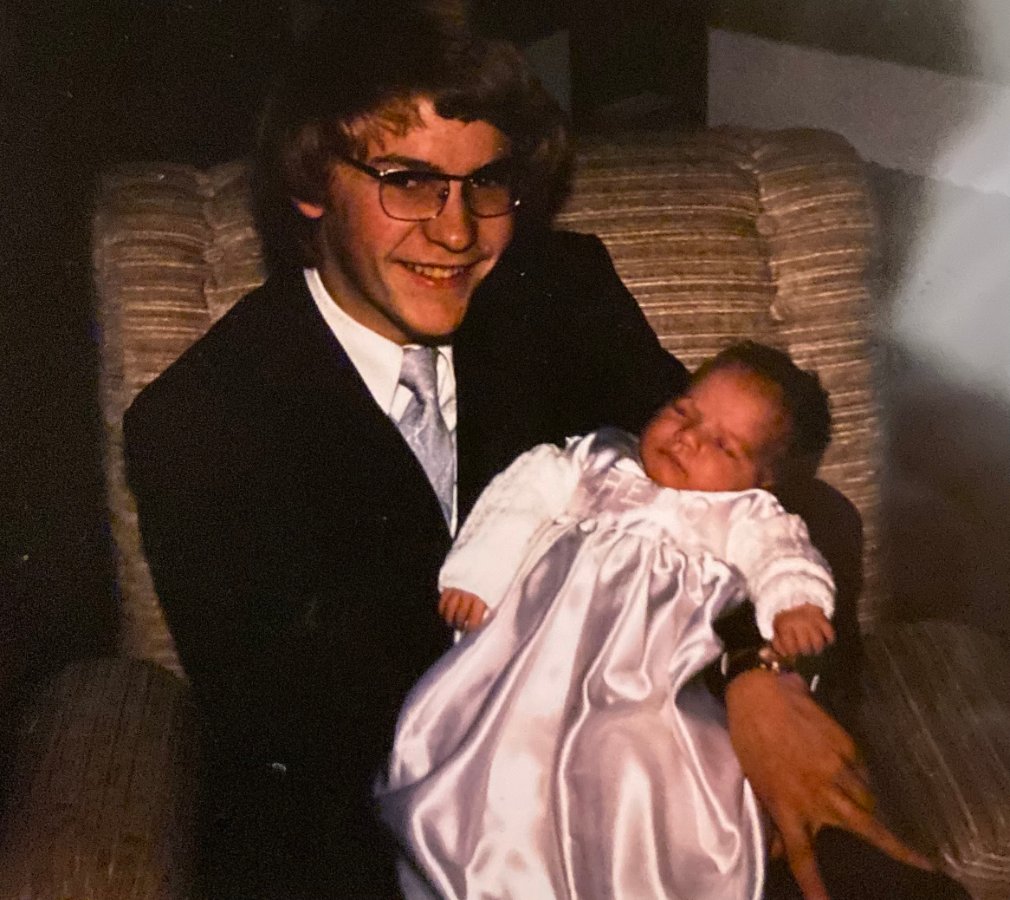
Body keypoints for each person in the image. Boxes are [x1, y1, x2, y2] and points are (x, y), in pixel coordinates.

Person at [123, 3, 953, 898]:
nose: (457, 232)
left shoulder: (560, 293)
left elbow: (768, 498)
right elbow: (298, 741)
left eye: (486, 183)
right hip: (396, 837)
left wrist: (758, 673)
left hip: (663, 783)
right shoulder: (200, 423)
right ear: (309, 184)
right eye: (409, 182)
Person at [377, 342, 839, 899]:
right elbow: (520, 497)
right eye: (683, 412)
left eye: (723, 445)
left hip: (646, 684)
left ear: (762, 481)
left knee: (634, 776)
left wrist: (797, 604)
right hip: (531, 657)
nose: (688, 437)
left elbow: (785, 557)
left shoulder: (745, 515)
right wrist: (478, 571)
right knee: (496, 763)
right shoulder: (598, 458)